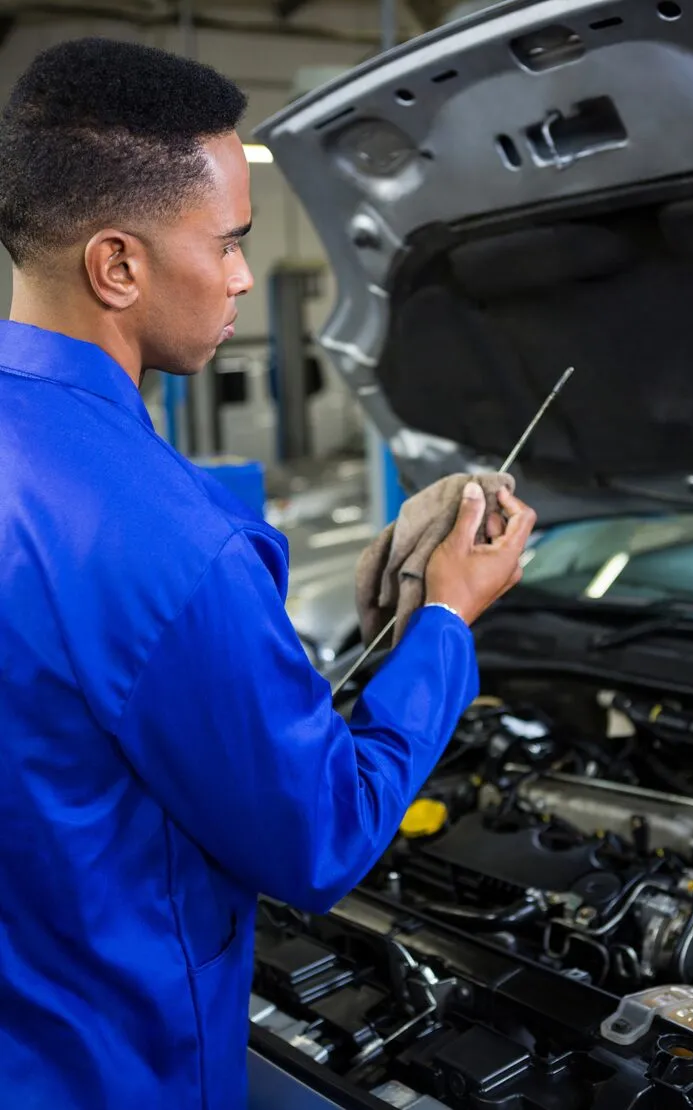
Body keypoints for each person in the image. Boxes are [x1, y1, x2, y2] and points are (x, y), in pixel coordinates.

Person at [0, 37, 536, 1110]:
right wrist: (445, 620)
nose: (244, 274)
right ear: (118, 265)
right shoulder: (174, 547)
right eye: (230, 242)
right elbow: (318, 836)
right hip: (119, 1067)